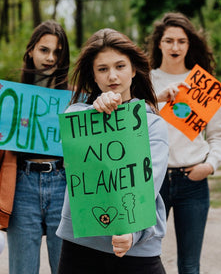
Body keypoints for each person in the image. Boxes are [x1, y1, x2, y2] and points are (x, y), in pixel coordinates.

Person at [56, 28, 169, 274]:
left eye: (120, 66)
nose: (112, 76)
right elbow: (72, 126)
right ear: (93, 76)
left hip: (135, 248)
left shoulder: (153, 124)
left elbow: (148, 187)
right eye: (103, 69)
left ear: (134, 70)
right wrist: (94, 112)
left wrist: (133, 232)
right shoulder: (77, 115)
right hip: (80, 245)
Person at [0, 20, 70, 274]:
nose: (51, 58)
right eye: (44, 50)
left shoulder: (75, 98)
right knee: (22, 269)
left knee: (66, 267)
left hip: (63, 184)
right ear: (30, 51)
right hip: (22, 185)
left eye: (57, 52)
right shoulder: (12, 98)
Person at [147, 12, 221, 274]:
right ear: (159, 43)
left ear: (189, 44)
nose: (175, 47)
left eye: (181, 41)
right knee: (144, 260)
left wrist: (210, 165)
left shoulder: (203, 84)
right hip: (153, 181)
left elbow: (219, 136)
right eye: (169, 40)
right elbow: (131, 122)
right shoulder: (144, 81)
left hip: (192, 181)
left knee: (190, 265)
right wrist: (157, 101)